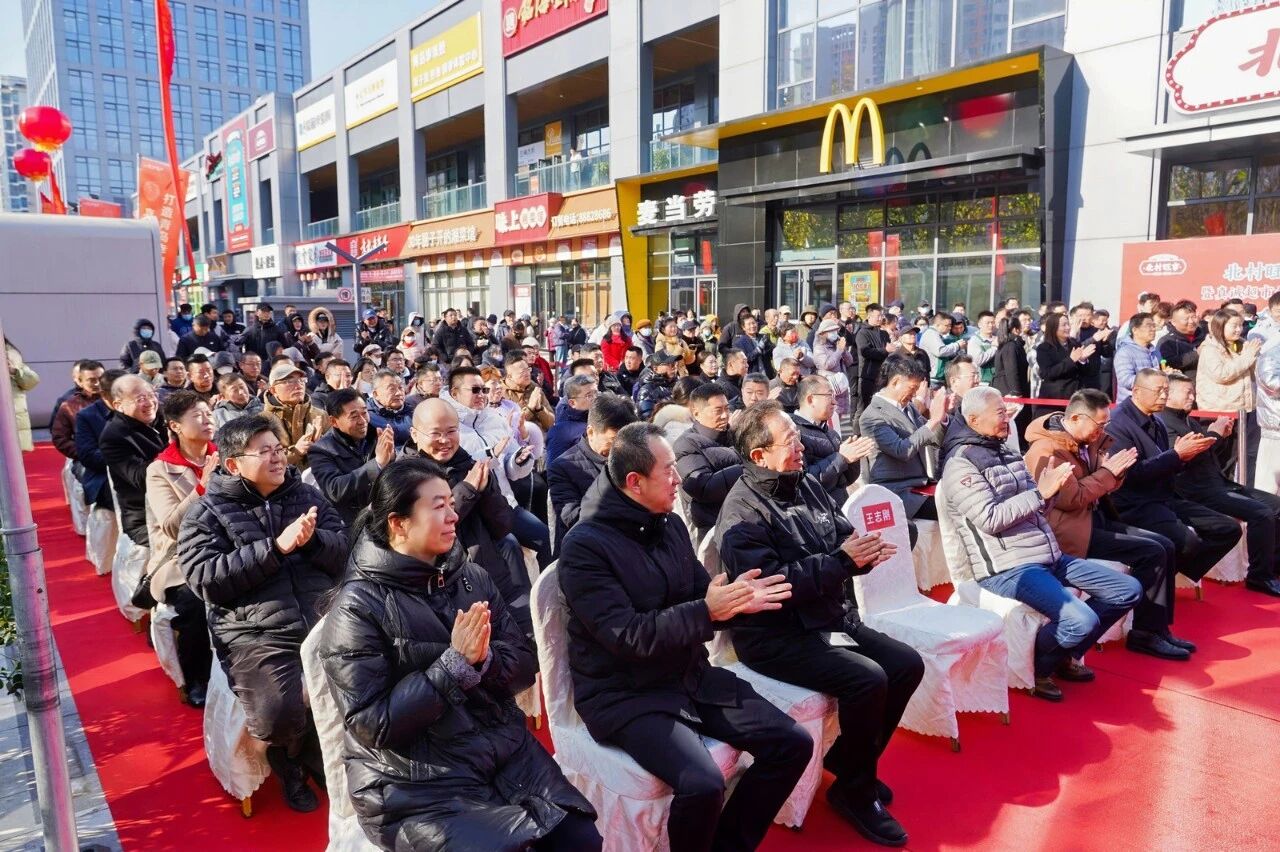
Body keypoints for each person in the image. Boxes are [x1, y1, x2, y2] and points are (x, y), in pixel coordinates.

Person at [317, 458, 600, 850]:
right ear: (398, 523)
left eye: (452, 503)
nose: (453, 516)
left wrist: (484, 661)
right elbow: (372, 724)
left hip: (499, 748)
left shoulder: (469, 576)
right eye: (439, 507)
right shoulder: (357, 608)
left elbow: (523, 664)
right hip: (413, 778)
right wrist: (453, 667)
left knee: (580, 838)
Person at [560, 422, 812, 852]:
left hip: (688, 674)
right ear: (635, 482)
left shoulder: (669, 523)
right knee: (702, 783)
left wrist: (734, 600)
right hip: (625, 694)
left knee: (792, 743)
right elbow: (627, 636)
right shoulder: (584, 546)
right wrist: (707, 610)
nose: (679, 479)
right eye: (669, 470)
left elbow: (700, 593)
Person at [716, 402, 923, 845]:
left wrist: (861, 553)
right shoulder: (741, 514)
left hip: (828, 618)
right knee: (868, 679)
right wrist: (841, 562)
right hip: (775, 635)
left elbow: (840, 535)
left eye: (798, 437)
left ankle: (849, 765)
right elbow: (774, 587)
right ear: (759, 455)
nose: (802, 447)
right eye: (790, 441)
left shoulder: (804, 482)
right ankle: (855, 790)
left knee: (906, 664)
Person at [178, 414, 345, 812]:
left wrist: (312, 542)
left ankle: (320, 751)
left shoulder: (306, 496)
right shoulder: (206, 513)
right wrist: (274, 549)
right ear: (233, 464)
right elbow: (204, 579)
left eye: (279, 449)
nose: (277, 458)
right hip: (255, 630)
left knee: (366, 680)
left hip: (322, 618)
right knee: (276, 714)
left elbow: (344, 550)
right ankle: (290, 758)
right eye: (264, 451)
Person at [941, 386, 1144, 700]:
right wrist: (1040, 493)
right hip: (1008, 568)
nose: (1007, 418)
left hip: (1048, 555)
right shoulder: (960, 464)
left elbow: (1037, 507)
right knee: (1081, 619)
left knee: (1127, 589)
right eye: (1000, 413)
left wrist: (1049, 493)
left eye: (1006, 411)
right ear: (973, 419)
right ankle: (1039, 666)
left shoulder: (1007, 452)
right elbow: (990, 519)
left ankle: (1063, 651)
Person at [1023, 390, 1191, 663]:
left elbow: (1104, 483)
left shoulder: (1088, 439)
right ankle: (1144, 633)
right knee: (1152, 552)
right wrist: (1107, 473)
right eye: (1099, 425)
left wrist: (1114, 472)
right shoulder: (1046, 450)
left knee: (1164, 545)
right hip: (1070, 531)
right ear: (1076, 418)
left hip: (1094, 519)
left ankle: (1157, 629)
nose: (1103, 431)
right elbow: (1071, 499)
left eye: (1106, 424)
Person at [402, 399, 533, 637]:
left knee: (522, 635)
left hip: (488, 568)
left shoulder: (470, 465)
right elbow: (426, 530)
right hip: (441, 584)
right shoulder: (403, 475)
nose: (445, 440)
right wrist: (468, 490)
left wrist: (487, 490)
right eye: (435, 433)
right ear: (415, 434)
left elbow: (502, 526)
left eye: (451, 431)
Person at [1105, 368, 1243, 587]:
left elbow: (1167, 465)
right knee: (1186, 541)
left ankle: (1161, 577)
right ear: (1136, 391)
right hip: (1135, 503)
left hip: (1166, 497)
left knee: (1228, 529)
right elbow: (1132, 475)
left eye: (1166, 391)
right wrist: (1177, 455)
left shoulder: (1157, 421)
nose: (1163, 396)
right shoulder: (1118, 423)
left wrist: (1185, 456)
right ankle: (1152, 584)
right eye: (1158, 391)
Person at [1162, 373, 1280, 597]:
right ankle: (1259, 576)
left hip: (1220, 484)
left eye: (1193, 392)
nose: (1192, 397)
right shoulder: (1164, 423)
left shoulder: (1189, 420)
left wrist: (1219, 436)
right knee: (1262, 513)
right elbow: (1183, 459)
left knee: (1276, 505)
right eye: (1187, 393)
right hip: (1196, 491)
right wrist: (1214, 434)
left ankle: (1272, 565)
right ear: (1169, 395)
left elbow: (1206, 454)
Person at [144, 390, 217, 707]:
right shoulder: (160, 470)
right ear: (174, 426)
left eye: (209, 413)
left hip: (228, 547)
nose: (207, 420)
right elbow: (172, 526)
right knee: (195, 602)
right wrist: (203, 486)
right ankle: (196, 678)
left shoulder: (226, 454)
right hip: (181, 558)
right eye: (197, 416)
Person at [860, 355, 948, 521]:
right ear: (895, 382)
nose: (914, 394)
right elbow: (901, 450)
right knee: (949, 508)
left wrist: (942, 419)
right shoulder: (871, 415)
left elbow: (932, 439)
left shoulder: (908, 407)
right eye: (912, 388)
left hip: (920, 485)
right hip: (896, 490)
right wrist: (933, 421)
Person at [548, 393, 637, 550]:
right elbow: (572, 517)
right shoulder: (563, 467)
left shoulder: (633, 456)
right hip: (588, 549)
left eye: (625, 440)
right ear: (591, 432)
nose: (619, 447)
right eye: (613, 440)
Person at [309, 388, 396, 528]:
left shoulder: (375, 435)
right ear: (334, 421)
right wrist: (377, 464)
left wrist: (391, 458)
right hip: (351, 523)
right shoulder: (321, 450)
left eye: (364, 413)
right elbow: (335, 489)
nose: (363, 421)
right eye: (354, 416)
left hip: (383, 513)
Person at [99, 374, 167, 545]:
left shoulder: (165, 417)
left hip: (184, 504)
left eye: (151, 395)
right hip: (147, 517)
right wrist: (175, 450)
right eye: (140, 399)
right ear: (118, 405)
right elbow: (142, 478)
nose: (149, 403)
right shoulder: (113, 436)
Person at [1196, 309, 1262, 486]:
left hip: (1245, 409)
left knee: (1244, 456)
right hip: (1221, 410)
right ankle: (1219, 492)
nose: (1239, 329)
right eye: (1234, 326)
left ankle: (1240, 491)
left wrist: (1254, 357)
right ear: (1220, 326)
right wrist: (1247, 357)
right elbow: (1222, 374)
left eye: (1240, 325)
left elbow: (1254, 373)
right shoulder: (1210, 349)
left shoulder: (1242, 346)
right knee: (1222, 458)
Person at [673, 384, 743, 543]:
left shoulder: (735, 435)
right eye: (718, 411)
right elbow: (704, 487)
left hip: (745, 517)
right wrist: (748, 469)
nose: (725, 416)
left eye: (727, 409)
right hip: (713, 529)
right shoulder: (686, 443)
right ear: (696, 413)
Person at [794, 374, 876, 505]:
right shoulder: (793, 433)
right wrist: (841, 458)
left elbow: (845, 480)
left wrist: (853, 457)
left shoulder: (831, 432)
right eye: (829, 396)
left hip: (839, 505)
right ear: (810, 399)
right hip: (817, 509)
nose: (835, 402)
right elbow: (803, 481)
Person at [262, 361, 327, 469]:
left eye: (302, 380)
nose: (298, 386)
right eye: (289, 382)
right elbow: (264, 460)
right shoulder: (263, 421)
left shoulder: (320, 415)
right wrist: (295, 452)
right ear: (273, 390)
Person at [1034, 312, 1095, 415]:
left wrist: (1083, 360)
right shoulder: (1044, 348)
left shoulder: (1074, 344)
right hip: (1054, 398)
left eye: (1068, 324)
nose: (1068, 328)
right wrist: (1071, 360)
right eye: (1063, 325)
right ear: (1053, 328)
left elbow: (1086, 372)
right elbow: (1048, 373)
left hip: (1075, 396)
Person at [51, 360, 105, 461]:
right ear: (80, 381)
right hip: (86, 459)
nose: (97, 383)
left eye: (101, 379)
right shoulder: (69, 406)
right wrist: (85, 453)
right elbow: (60, 438)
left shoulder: (116, 400)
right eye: (92, 380)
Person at [546, 375, 597, 463]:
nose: (595, 398)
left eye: (596, 393)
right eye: (589, 396)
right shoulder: (560, 432)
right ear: (572, 403)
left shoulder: (602, 418)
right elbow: (555, 467)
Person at [503, 350, 555, 433]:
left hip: (540, 435)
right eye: (522, 372)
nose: (527, 374)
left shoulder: (534, 388)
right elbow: (511, 425)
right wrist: (530, 408)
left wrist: (539, 409)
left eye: (528, 369)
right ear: (510, 376)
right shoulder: (502, 393)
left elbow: (550, 423)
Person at [1114, 313, 1161, 404]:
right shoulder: (1125, 352)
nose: (1153, 329)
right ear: (1135, 330)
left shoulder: (1155, 351)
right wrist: (1153, 380)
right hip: (1131, 404)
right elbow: (1126, 380)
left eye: (1154, 326)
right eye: (1149, 326)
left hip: (1152, 402)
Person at [855, 305, 892, 414]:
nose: (881, 318)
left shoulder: (884, 333)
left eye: (882, 315)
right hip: (868, 375)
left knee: (881, 408)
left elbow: (888, 350)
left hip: (883, 374)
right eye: (878, 316)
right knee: (864, 408)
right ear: (869, 316)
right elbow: (865, 352)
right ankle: (858, 426)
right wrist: (885, 350)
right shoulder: (862, 333)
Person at [366, 370, 415, 449]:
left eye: (400, 388)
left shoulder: (413, 412)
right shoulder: (367, 417)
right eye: (392, 389)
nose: (398, 393)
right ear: (376, 394)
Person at [4, 338, 39, 452]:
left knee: (11, 456)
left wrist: (15, 371)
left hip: (12, 415)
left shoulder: (11, 356)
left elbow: (32, 381)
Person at [918, 312, 965, 389]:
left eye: (950, 325)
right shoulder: (931, 334)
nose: (949, 328)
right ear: (937, 325)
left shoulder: (936, 335)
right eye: (947, 325)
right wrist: (957, 345)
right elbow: (940, 351)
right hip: (933, 380)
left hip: (937, 379)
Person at [634, 349, 680, 419]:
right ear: (655, 368)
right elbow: (648, 419)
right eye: (670, 364)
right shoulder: (646, 391)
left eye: (675, 363)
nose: (674, 367)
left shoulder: (679, 383)